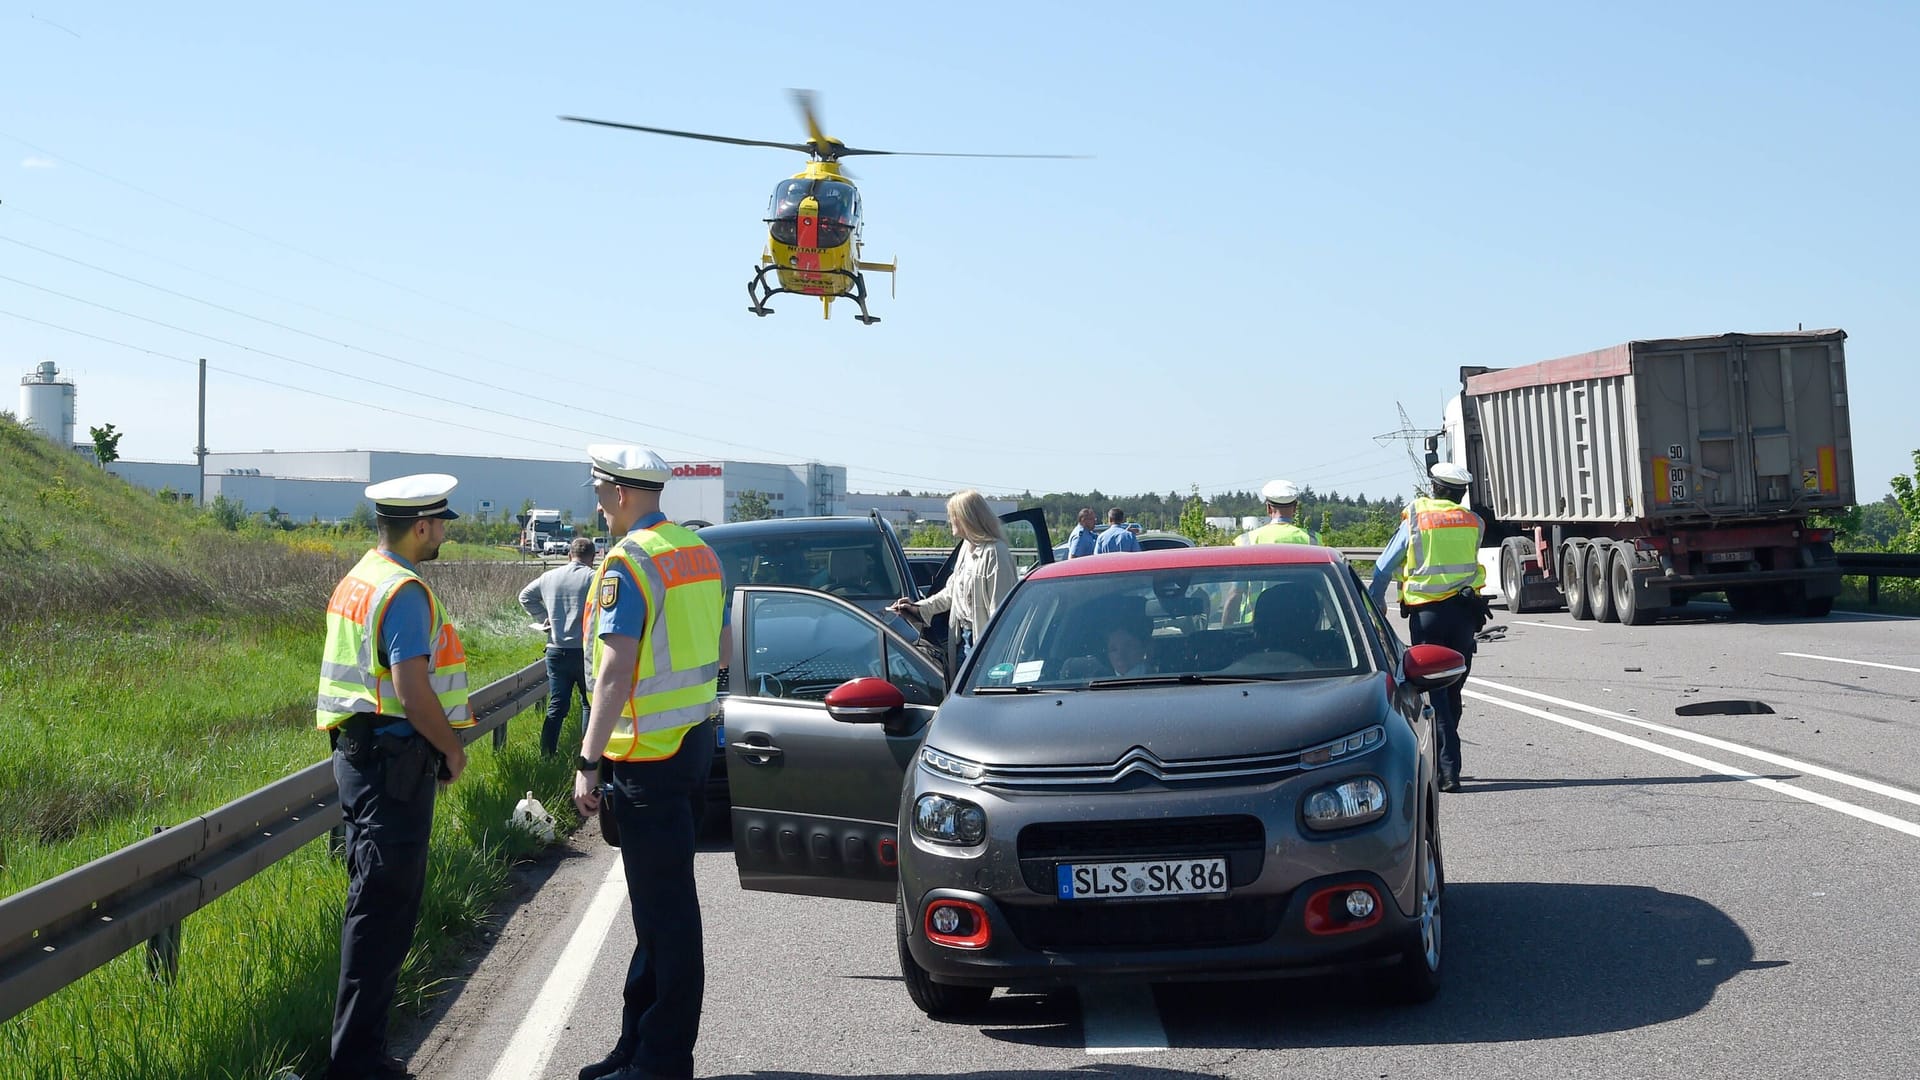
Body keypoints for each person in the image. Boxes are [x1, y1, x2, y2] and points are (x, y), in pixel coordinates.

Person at [571, 445, 730, 1080]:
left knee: (666, 916)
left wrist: (587, 759)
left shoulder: (628, 563)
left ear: (619, 492)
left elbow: (614, 673)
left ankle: (663, 1060)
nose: (596, 501)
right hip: (687, 744)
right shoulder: (699, 552)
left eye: (597, 490)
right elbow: (720, 649)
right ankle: (636, 1044)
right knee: (654, 912)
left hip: (647, 758)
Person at [314, 474, 473, 1080]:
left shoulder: (360, 578)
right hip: (392, 768)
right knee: (384, 910)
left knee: (370, 903)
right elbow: (412, 688)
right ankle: (356, 1063)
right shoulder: (405, 592)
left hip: (357, 760)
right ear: (423, 526)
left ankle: (359, 1053)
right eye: (441, 527)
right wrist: (452, 750)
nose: (442, 538)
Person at [1368, 462, 1487, 793]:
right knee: (1453, 688)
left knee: (1434, 692)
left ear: (1433, 488)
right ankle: (1445, 763)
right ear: (1461, 492)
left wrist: (1377, 606)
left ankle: (1447, 770)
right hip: (1464, 614)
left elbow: (1382, 569)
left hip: (1428, 615)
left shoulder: (1418, 517)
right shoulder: (1473, 522)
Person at [890, 490, 1015, 678]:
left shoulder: (995, 552)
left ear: (967, 517)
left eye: (953, 516)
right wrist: (917, 608)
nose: (950, 521)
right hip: (963, 638)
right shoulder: (966, 547)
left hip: (984, 643)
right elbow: (951, 593)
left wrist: (992, 651)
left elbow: (1000, 610)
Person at [519, 536, 598, 757]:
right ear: (592, 557)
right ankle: (586, 755)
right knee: (588, 704)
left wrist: (544, 617)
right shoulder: (594, 578)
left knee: (557, 706)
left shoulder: (549, 576)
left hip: (555, 650)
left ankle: (547, 755)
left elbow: (524, 596)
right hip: (585, 651)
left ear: (569, 555)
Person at [1224, 479, 1320, 624]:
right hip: (1303, 626)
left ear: (1268, 508)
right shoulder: (1313, 541)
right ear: (1295, 508)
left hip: (1255, 626)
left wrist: (1224, 633)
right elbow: (1323, 593)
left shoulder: (1246, 541)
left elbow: (1235, 594)